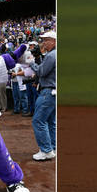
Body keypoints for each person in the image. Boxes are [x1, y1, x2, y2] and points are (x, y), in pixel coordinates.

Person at [29, 31, 56, 161]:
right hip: (53, 91)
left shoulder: (51, 55)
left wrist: (31, 63)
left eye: (47, 40)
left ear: (54, 41)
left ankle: (46, 150)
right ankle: (52, 147)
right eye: (43, 40)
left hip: (48, 91)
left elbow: (41, 72)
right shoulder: (53, 54)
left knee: (38, 120)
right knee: (51, 121)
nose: (44, 42)